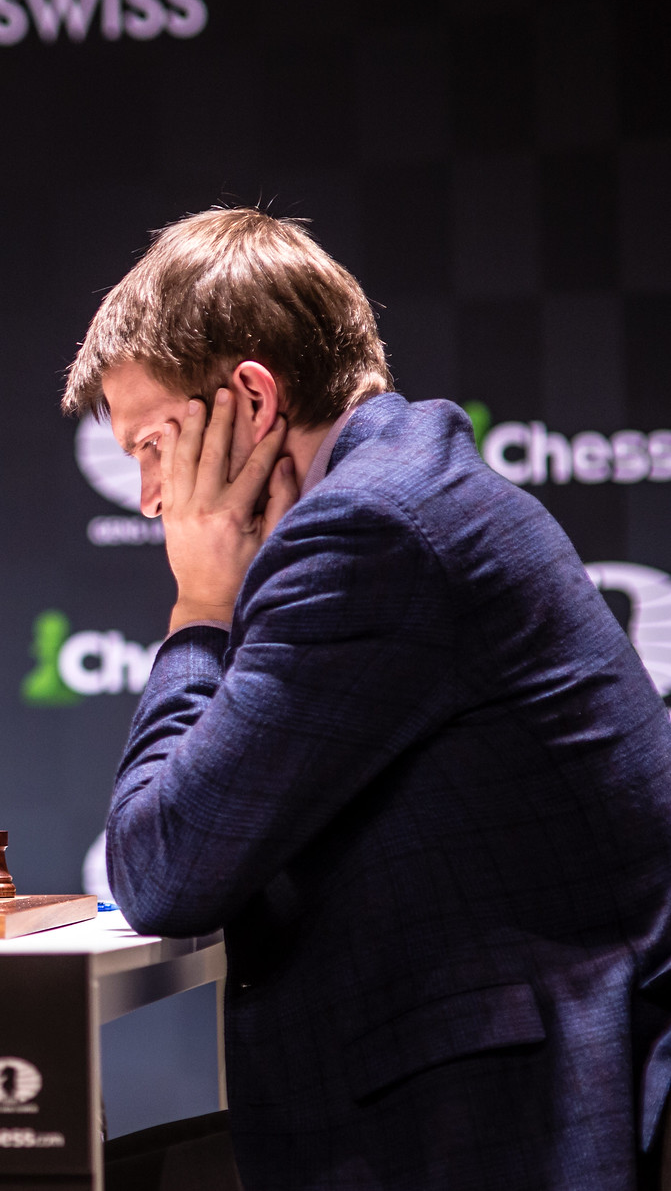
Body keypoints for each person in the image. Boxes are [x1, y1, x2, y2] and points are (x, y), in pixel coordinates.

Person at [63, 207, 671, 1189]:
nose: (148, 500)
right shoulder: (403, 486)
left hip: (516, 1118)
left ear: (250, 399)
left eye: (150, 446)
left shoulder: (366, 534)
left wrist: (199, 605)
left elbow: (164, 867)